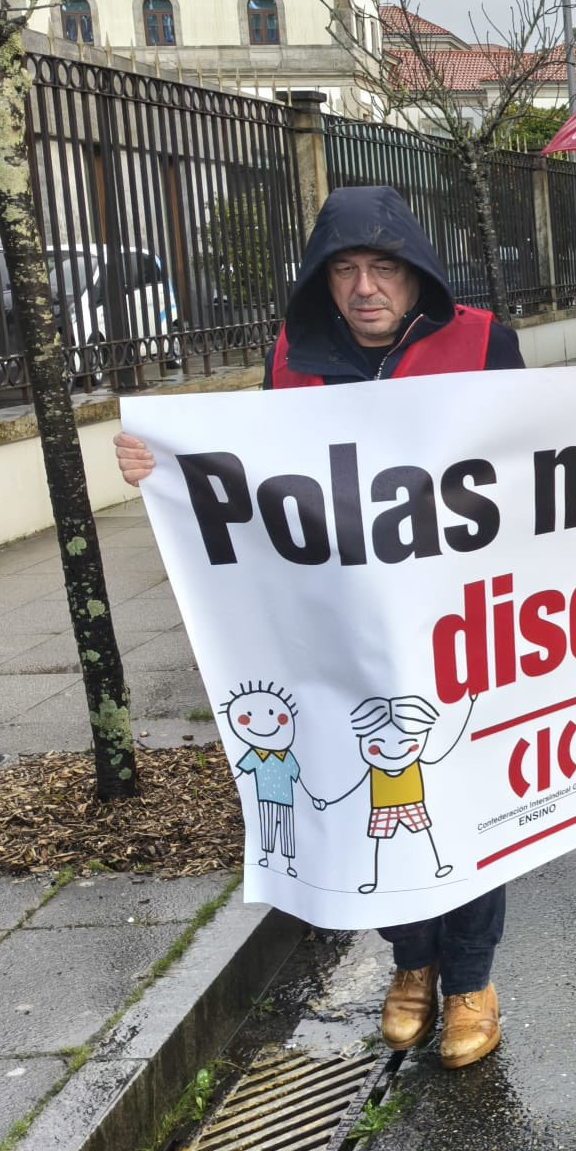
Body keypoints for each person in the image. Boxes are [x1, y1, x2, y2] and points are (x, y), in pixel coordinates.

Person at [113, 185, 521, 1069]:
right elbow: (253, 478)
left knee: (461, 795)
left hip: (453, 616)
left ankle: (473, 979)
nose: (365, 288)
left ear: (417, 275)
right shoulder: (292, 359)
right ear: (321, 280)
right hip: (342, 623)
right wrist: (161, 465)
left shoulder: (484, 341)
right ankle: (410, 962)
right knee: (371, 791)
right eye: (345, 269)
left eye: (383, 268)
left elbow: (539, 460)